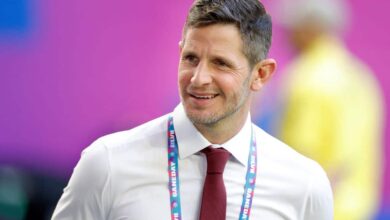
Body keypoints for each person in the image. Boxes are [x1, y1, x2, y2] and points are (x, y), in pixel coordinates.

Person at [52, 0, 333, 219]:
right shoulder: (107, 164)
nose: (198, 78)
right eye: (191, 58)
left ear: (260, 74)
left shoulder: (305, 184)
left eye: (220, 63)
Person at [274, 0, 384, 219]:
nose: (286, 35)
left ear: (310, 29)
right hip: (361, 210)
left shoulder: (306, 78)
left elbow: (299, 155)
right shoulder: (361, 77)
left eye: (292, 27)